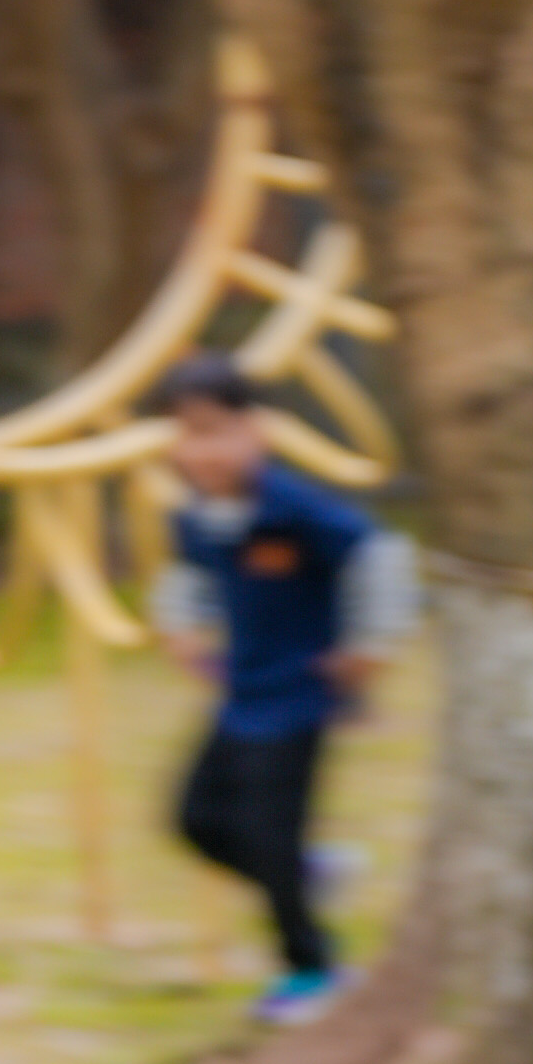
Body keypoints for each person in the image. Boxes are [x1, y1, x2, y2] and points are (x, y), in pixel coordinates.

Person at [152, 351, 396, 1024]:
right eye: (186, 435)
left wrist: (369, 645)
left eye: (214, 432)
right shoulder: (198, 514)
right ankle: (309, 871)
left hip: (299, 700)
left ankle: (313, 970)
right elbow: (190, 575)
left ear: (255, 430)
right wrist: (180, 625)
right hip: (241, 696)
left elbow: (377, 554)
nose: (201, 452)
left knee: (268, 834)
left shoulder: (294, 509)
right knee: (194, 819)